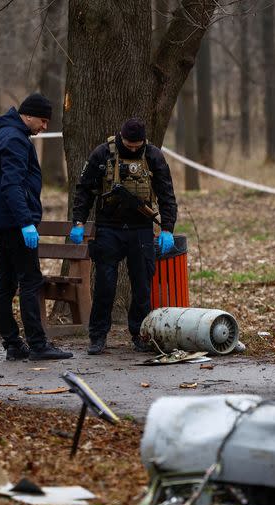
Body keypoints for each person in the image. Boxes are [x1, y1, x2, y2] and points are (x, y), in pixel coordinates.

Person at [69, 118, 177, 355]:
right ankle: (97, 336)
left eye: (137, 145)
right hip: (109, 228)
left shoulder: (153, 156)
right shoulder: (102, 154)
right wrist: (78, 221)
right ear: (121, 137)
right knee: (105, 286)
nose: (133, 148)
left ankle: (140, 334)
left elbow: (166, 193)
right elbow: (84, 189)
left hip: (141, 229)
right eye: (129, 144)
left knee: (141, 285)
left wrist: (167, 228)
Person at [0, 93, 73, 362]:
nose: (44, 127)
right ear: (28, 115)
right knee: (30, 281)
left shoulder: (5, 134)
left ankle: (12, 343)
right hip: (14, 223)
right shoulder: (14, 139)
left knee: (6, 283)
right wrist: (25, 223)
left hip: (3, 222)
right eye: (42, 121)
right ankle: (37, 344)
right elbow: (11, 185)